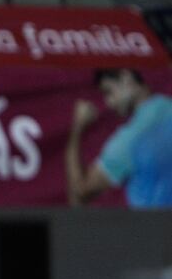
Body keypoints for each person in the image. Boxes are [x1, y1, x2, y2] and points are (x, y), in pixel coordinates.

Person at [67, 68, 172, 208]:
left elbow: (80, 192)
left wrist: (78, 128)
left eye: (108, 92)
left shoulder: (132, 138)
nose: (108, 103)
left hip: (154, 227)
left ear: (126, 77)